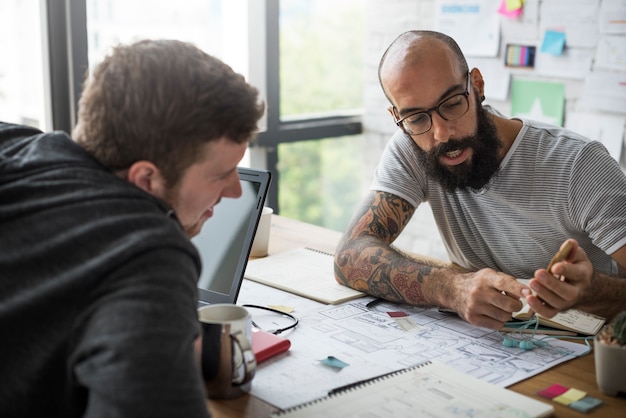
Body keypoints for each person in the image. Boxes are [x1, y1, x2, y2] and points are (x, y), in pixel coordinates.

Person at [0, 39, 264, 417]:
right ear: (146, 179)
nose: (237, 190)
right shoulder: (146, 255)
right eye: (220, 175)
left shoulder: (13, 145)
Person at [334, 30, 626, 330]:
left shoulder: (579, 164)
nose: (441, 134)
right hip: (495, 345)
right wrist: (451, 289)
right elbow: (350, 255)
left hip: (599, 350)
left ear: (476, 85)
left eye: (451, 104)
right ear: (398, 116)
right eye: (417, 118)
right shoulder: (412, 146)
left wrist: (591, 292)